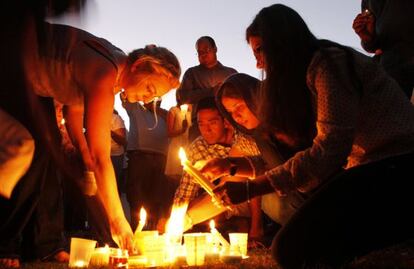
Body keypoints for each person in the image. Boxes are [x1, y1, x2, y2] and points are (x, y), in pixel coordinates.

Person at [201, 4, 414, 268]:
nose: (258, 63)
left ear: (281, 43)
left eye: (259, 51)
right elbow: (292, 156)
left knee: (291, 250)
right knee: (293, 247)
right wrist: (233, 167)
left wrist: (251, 187)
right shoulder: (309, 77)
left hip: (395, 169)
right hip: (367, 172)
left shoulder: (329, 64)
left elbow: (328, 151)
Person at [0, 19, 181, 261]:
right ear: (138, 66)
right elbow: (101, 156)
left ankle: (46, 244)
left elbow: (73, 111)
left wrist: (83, 156)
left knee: (51, 150)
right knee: (37, 147)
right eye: (150, 88)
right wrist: (118, 220)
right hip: (11, 61)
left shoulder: (113, 71)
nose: (147, 99)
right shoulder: (105, 71)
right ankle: (5, 242)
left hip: (34, 86)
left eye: (155, 96)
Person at [173, 97, 265, 242]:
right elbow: (186, 190)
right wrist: (175, 215)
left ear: (226, 122)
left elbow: (257, 175)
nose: (206, 130)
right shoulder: (198, 148)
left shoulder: (243, 139)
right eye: (201, 124)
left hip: (260, 194)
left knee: (234, 179)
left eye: (212, 123)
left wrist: (256, 227)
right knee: (190, 208)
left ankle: (249, 225)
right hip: (222, 203)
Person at [176, 36, 237, 141]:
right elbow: (182, 97)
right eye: (199, 52)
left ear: (215, 49)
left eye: (206, 49)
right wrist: (210, 92)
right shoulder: (192, 73)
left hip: (228, 125)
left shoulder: (230, 73)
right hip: (200, 127)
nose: (203, 54)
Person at [123, 99, 169, 230]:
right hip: (140, 157)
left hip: (161, 159)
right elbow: (126, 95)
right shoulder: (136, 108)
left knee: (156, 199)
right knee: (137, 197)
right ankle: (137, 231)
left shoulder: (164, 114)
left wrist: (158, 111)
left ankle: (153, 232)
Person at [352, 0, 414, 99]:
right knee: (390, 109)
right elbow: (374, 46)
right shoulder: (367, 2)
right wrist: (367, 37)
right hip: (391, 60)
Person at [164, 96, 191, 181]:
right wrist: (182, 130)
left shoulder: (192, 112)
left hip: (189, 145)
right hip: (177, 145)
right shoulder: (174, 110)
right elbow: (169, 133)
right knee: (175, 175)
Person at [110, 109, 127, 193]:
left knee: (113, 184)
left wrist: (108, 131)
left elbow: (122, 140)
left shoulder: (115, 118)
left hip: (114, 156)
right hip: (99, 154)